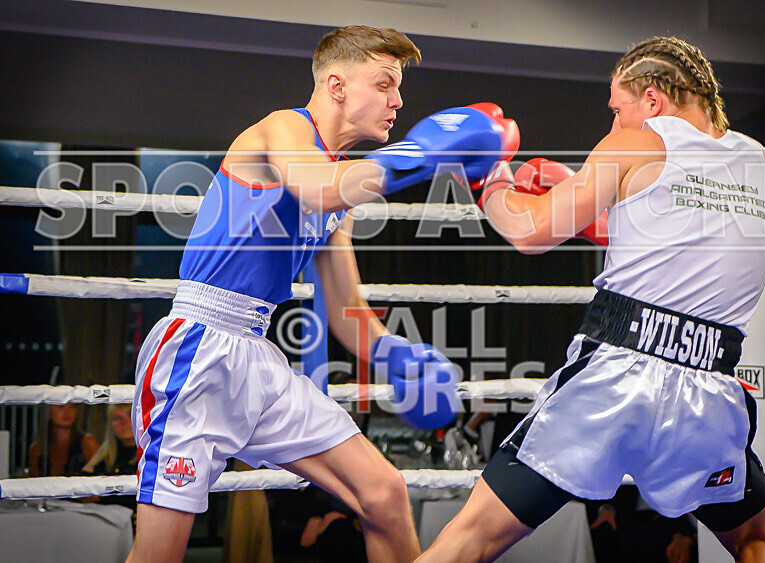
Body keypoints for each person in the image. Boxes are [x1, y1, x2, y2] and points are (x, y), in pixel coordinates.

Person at [127, 25, 515, 562]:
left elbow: (348, 310)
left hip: (258, 359)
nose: (398, 101)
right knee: (159, 554)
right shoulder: (283, 129)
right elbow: (315, 189)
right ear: (337, 86)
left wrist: (398, 355)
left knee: (384, 494)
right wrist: (420, 154)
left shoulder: (341, 187)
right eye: (384, 84)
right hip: (197, 351)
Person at [418, 36, 765, 562]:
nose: (613, 123)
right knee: (758, 539)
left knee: (471, 538)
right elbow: (698, 251)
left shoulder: (632, 144)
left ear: (653, 100)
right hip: (708, 391)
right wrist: (606, 216)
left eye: (617, 109)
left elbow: (528, 232)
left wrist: (491, 178)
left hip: (614, 377)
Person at [29, 403, 99, 477]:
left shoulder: (87, 443)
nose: (67, 413)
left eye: (72, 407)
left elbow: (100, 477)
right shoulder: (37, 449)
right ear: (48, 410)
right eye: (60, 406)